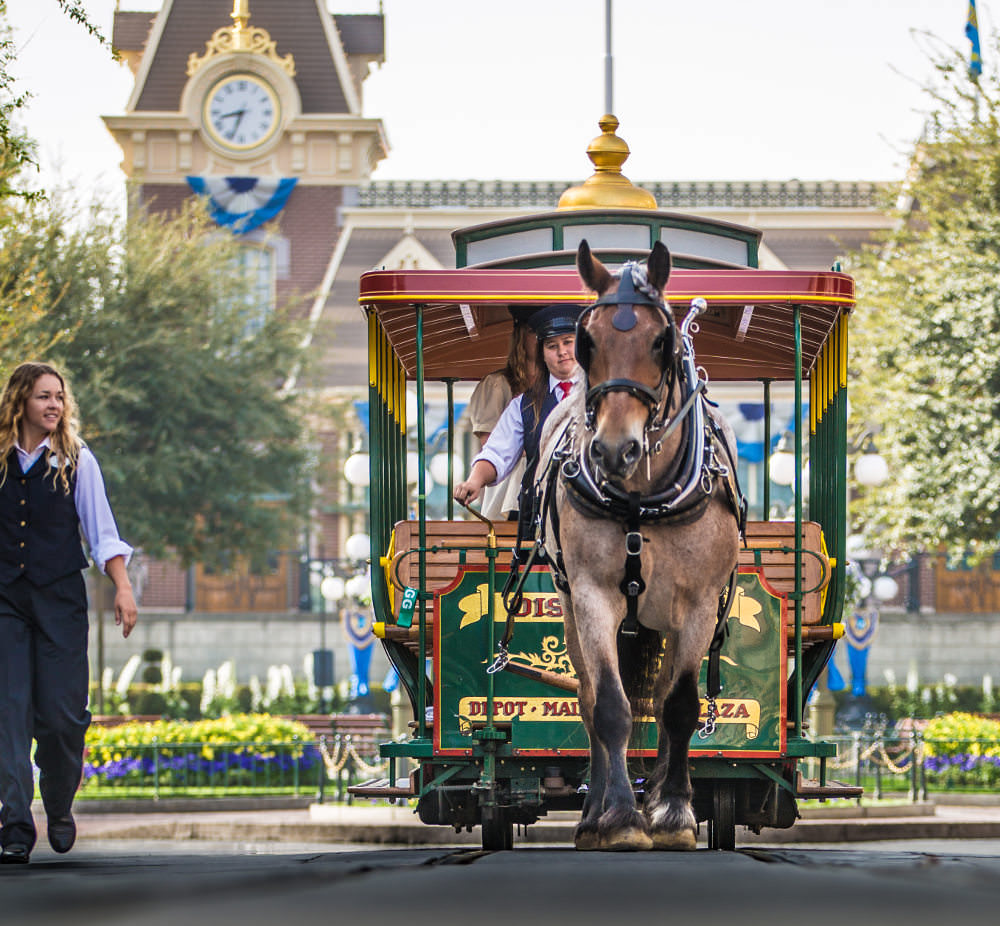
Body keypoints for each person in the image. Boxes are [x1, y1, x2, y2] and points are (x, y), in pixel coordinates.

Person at [0, 362, 137, 865]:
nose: (54, 405)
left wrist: (122, 588)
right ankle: (14, 821)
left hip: (59, 600)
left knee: (61, 718)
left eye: (59, 397)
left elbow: (102, 534)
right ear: (21, 402)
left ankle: (57, 802)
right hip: (5, 601)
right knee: (7, 714)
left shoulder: (78, 460)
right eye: (43, 396)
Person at [454, 304, 583, 510]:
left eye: (568, 342)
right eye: (551, 346)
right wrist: (474, 480)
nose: (562, 352)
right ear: (542, 352)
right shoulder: (523, 405)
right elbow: (497, 451)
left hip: (597, 519)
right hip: (542, 516)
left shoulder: (605, 396)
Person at [465, 313, 540, 519]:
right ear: (521, 337)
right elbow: (492, 444)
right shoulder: (498, 385)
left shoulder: (559, 387)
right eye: (534, 332)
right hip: (510, 482)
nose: (540, 338)